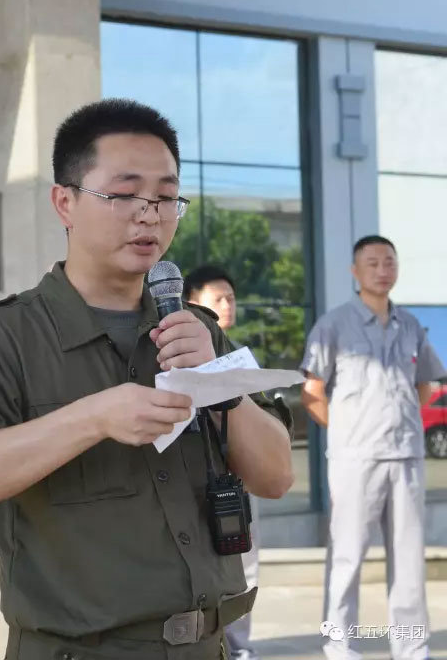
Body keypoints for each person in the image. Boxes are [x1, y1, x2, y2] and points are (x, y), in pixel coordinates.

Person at [0, 99, 294, 660]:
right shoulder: (2, 338)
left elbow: (277, 475)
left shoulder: (196, 330)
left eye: (166, 197)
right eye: (124, 195)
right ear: (65, 202)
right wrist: (93, 418)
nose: (149, 215)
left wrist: (220, 386)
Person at [300, 235, 445, 660]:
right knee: (346, 556)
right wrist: (348, 431)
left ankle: (412, 647)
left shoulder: (411, 325)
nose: (383, 270)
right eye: (373, 262)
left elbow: (425, 384)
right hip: (355, 459)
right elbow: (312, 392)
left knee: (409, 559)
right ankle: (339, 644)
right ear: (354, 271)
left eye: (389, 261)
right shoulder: (332, 325)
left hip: (406, 457)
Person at [184, 265, 260, 660]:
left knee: (246, 562)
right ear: (192, 303)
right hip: (193, 481)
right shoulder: (171, 355)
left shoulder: (239, 356)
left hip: (237, 479)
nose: (228, 305)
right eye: (219, 299)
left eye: (231, 298)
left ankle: (239, 647)